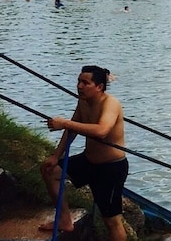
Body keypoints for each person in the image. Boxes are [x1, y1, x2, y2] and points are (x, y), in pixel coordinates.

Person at [39, 66, 127, 240]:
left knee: (111, 221)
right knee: (50, 171)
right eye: (79, 81)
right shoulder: (83, 101)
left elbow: (102, 130)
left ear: (99, 86)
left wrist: (64, 123)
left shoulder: (111, 103)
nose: (79, 86)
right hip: (89, 161)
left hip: (110, 168)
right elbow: (72, 129)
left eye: (85, 83)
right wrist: (56, 156)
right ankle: (65, 220)